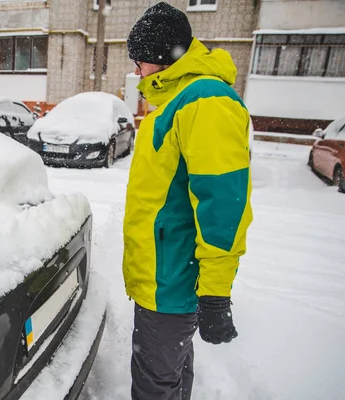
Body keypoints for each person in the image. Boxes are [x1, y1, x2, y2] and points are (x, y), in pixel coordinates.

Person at [123, 2, 253, 400]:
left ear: (160, 57)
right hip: (164, 280)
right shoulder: (178, 103)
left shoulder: (204, 102)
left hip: (172, 282)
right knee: (169, 376)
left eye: (139, 60)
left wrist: (215, 293)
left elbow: (223, 204)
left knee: (155, 384)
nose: (136, 70)